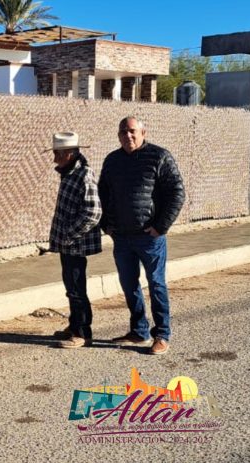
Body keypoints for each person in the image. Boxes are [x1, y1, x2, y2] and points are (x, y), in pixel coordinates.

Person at [99, 116, 185, 355]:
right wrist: (107, 225)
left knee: (156, 284)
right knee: (129, 284)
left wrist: (161, 226)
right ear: (118, 135)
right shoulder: (112, 161)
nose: (128, 135)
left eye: (133, 131)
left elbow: (177, 193)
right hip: (122, 238)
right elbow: (102, 194)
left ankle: (162, 335)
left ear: (143, 132)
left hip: (150, 238)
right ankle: (139, 330)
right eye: (123, 131)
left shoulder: (159, 157)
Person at [45, 132, 102, 349]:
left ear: (69, 154)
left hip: (76, 245)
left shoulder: (84, 175)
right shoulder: (69, 173)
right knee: (71, 287)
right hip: (68, 245)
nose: (54, 158)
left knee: (77, 289)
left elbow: (93, 212)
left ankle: (82, 332)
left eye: (57, 153)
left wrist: (69, 235)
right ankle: (74, 324)